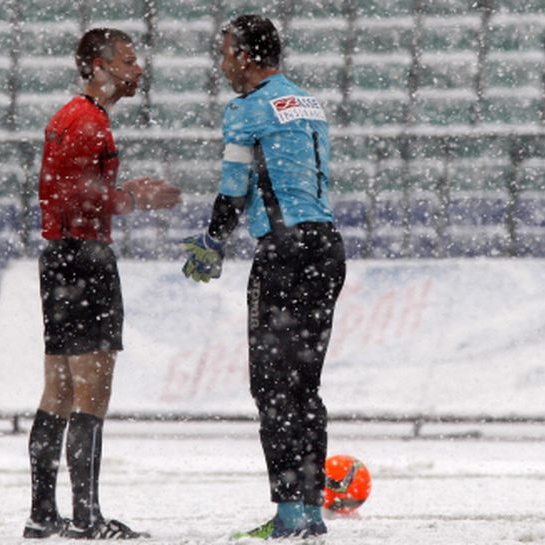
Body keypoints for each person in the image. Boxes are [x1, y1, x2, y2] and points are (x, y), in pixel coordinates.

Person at [179, 14, 346, 540]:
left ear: (247, 57)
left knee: (273, 387)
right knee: (306, 387)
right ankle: (312, 511)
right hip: (327, 247)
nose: (223, 62)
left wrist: (210, 242)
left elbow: (234, 188)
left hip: (285, 251)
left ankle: (290, 515)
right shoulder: (307, 102)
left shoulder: (246, 109)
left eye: (227, 52)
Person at [24, 28, 181, 540]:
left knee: (59, 390)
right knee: (91, 392)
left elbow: (62, 191)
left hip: (59, 259)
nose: (138, 71)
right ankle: (87, 517)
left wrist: (119, 195)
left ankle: (43, 514)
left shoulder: (70, 118)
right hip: (84, 262)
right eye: (128, 62)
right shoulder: (88, 123)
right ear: (97, 65)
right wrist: (132, 199)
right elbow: (76, 195)